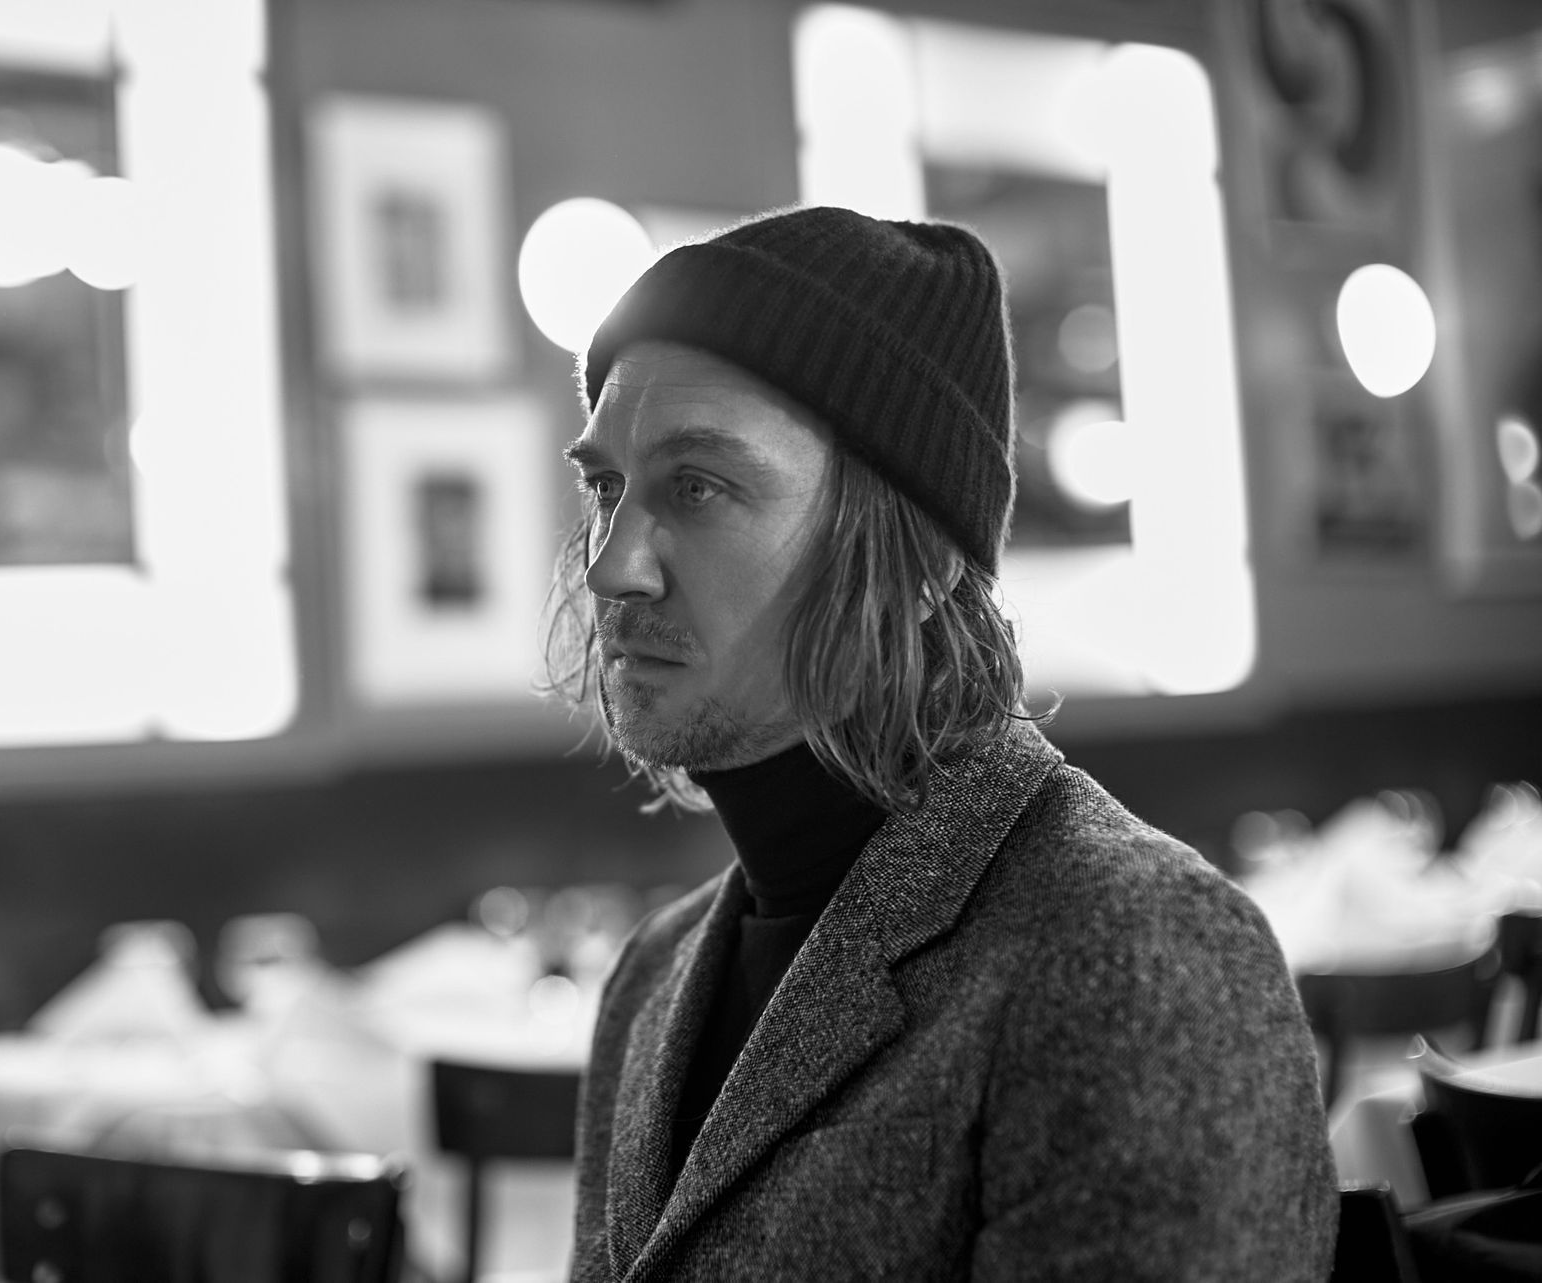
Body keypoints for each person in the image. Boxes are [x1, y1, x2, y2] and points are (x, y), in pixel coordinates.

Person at [543, 205, 1337, 1280]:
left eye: (698, 486)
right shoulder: (651, 977)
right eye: (606, 486)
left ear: (918, 558)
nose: (612, 566)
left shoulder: (1137, 950)